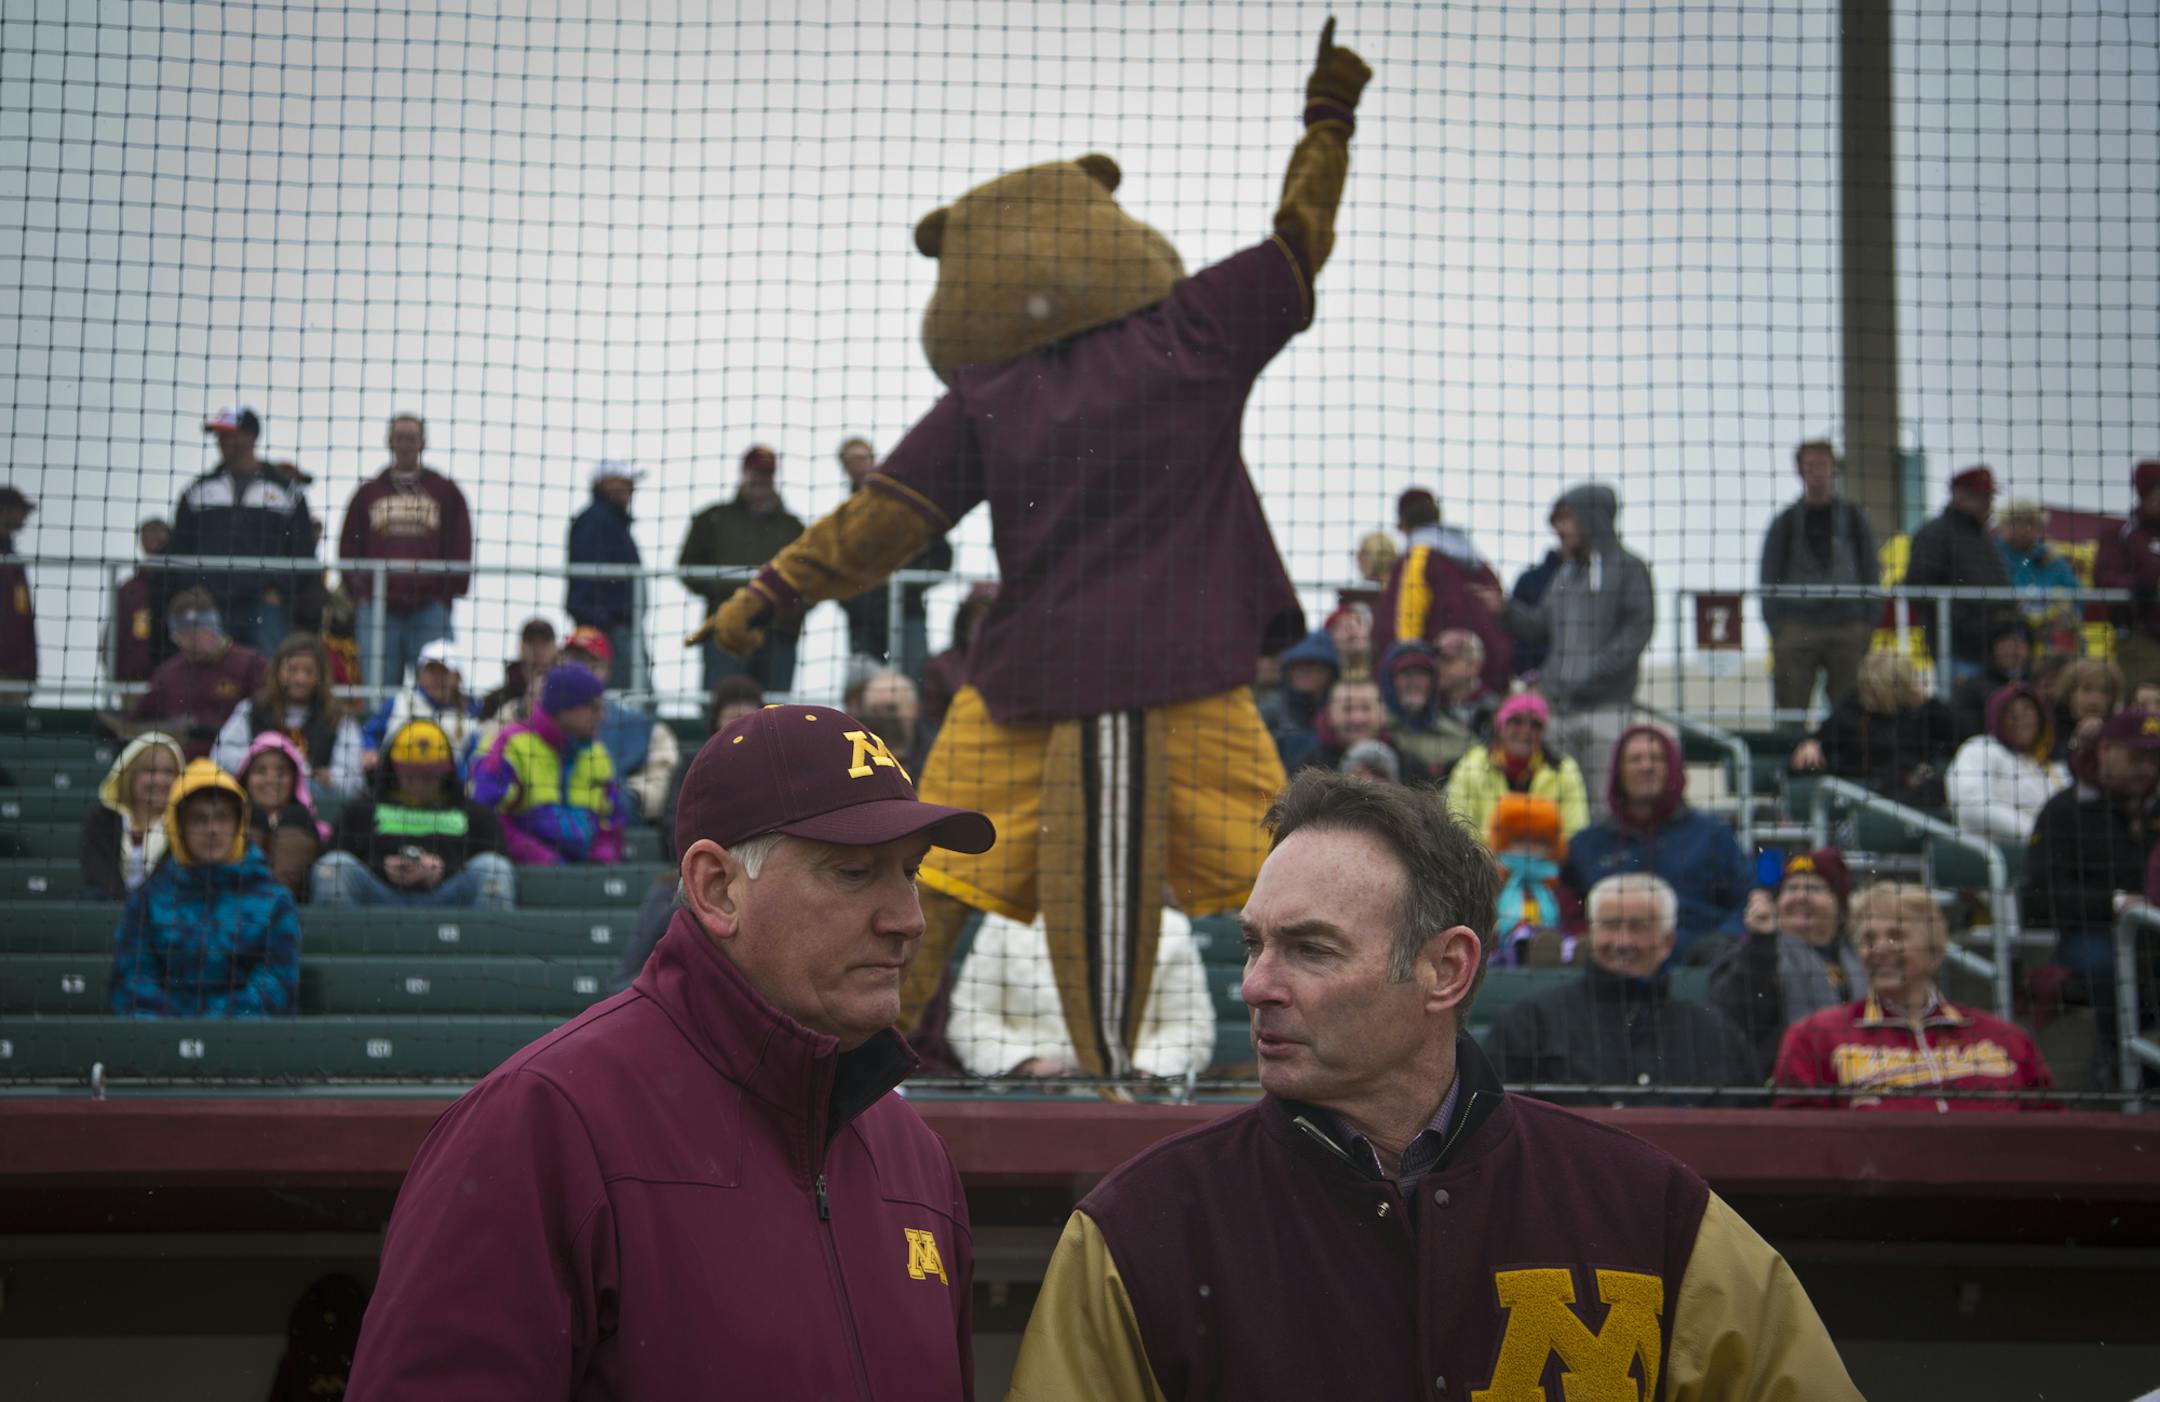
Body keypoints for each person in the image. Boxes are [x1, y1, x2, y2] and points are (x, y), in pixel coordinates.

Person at [1006, 769, 1857, 1400]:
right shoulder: (1137, 1234)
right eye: (1254, 943)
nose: (1255, 984)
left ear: (1446, 969)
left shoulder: (1652, 1214)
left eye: (1309, 948)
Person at [346, 703, 994, 1400]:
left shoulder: (918, 1160)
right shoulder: (538, 1125)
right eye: (854, 872)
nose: (910, 920)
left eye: (912, 872)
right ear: (717, 888)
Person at [1773, 880, 2055, 1111]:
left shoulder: (2006, 1039)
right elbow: (1798, 1141)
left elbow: (2050, 1129)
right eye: (1868, 940)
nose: (1880, 948)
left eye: (1896, 936)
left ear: (1935, 952)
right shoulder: (1816, 1036)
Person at [1485, 873, 1760, 1105]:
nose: (1623, 941)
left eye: (1639, 927)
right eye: (1610, 925)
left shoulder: (1715, 1033)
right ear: (1590, 933)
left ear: (1667, 942)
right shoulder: (1529, 1023)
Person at [1480, 484, 1654, 815]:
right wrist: (1505, 610)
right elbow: (1538, 626)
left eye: (1567, 519)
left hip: (1606, 712)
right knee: (1557, 809)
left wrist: (1592, 675)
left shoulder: (1629, 569)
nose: (1560, 529)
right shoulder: (1566, 573)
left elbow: (1637, 632)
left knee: (1603, 809)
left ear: (1592, 518)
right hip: (1558, 713)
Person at [107, 758, 301, 1018]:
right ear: (180, 827)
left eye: (222, 817)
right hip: (162, 1045)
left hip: (247, 1044)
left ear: (238, 825)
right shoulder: (148, 900)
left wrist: (213, 1027)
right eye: (199, 819)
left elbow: (277, 984)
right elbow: (132, 980)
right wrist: (181, 1031)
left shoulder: (273, 900)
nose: (212, 829)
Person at [2026, 708, 2160, 1082]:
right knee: (2110, 966)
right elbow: (2041, 896)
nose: (2148, 768)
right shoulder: (2064, 811)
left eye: (2155, 758)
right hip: (2089, 931)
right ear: (2105, 751)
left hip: (2154, 933)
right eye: (2137, 757)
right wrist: (2115, 903)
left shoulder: (2155, 807)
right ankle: (2116, 1063)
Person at [1560, 723, 1753, 963]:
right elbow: (1569, 907)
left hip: (1698, 966)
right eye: (1635, 759)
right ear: (1618, 772)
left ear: (1673, 769)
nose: (1647, 766)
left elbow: (1747, 900)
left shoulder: (1714, 836)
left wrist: (1724, 939)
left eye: (1657, 759)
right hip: (1613, 965)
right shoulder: (1587, 844)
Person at [948, 906, 1215, 1080]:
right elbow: (970, 1018)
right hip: (1028, 1098)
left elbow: (1191, 1028)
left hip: (1136, 1103)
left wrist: (1145, 1072)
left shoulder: (1169, 928)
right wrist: (1027, 1065)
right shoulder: (1006, 921)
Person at [160, 407, 317, 654]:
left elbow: (303, 550)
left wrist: (278, 590)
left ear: (251, 437)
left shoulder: (285, 492)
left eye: (230, 434)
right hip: (211, 605)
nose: (222, 442)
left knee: (269, 678)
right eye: (219, 436)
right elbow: (180, 547)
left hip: (264, 606)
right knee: (213, 680)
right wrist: (193, 586)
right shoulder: (198, 491)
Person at [314, 719, 515, 909]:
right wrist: (381, 867)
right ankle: (345, 944)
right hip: (379, 898)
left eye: (430, 774)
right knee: (334, 866)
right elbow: (331, 854)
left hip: (450, 900)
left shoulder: (477, 815)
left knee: (494, 867)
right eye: (411, 773)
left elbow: (503, 867)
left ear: (447, 770)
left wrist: (445, 869)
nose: (420, 781)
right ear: (393, 767)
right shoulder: (360, 810)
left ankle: (487, 946)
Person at [337, 413, 473, 688]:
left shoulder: (445, 491)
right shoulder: (368, 493)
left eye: (411, 438)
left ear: (423, 443)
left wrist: (445, 592)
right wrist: (360, 593)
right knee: (377, 690)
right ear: (389, 442)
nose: (405, 444)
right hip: (378, 607)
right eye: (400, 438)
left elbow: (461, 544)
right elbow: (348, 547)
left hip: (430, 607)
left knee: (439, 689)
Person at [1708, 849, 1867, 1076]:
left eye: (1814, 888)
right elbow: (1734, 1018)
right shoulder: (1752, 951)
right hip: (1781, 1083)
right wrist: (1760, 946)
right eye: (1791, 888)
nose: (1800, 896)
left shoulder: (1862, 957)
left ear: (1840, 906)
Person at [1758, 438, 1881, 712]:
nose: (1816, 472)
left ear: (1834, 468)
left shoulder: (1854, 518)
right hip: (1797, 623)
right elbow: (1768, 577)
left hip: (1848, 624)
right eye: (1810, 466)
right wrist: (1778, 627)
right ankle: (1791, 751)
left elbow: (1871, 571)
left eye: (1822, 465)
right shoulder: (1785, 522)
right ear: (1800, 471)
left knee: (1850, 706)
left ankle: (1844, 753)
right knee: (1790, 704)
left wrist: (1867, 622)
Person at [468, 663, 629, 866]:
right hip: (525, 872)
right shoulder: (509, 745)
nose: (602, 716)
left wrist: (601, 860)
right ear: (565, 708)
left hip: (584, 874)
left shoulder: (597, 754)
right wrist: (541, 858)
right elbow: (486, 819)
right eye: (593, 707)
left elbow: (611, 824)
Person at [679, 445, 807, 692]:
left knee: (775, 709)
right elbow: (688, 567)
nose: (760, 480)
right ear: (743, 473)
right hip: (726, 628)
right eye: (755, 473)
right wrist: (730, 595)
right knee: (723, 700)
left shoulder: (793, 528)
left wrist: (788, 606)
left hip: (778, 631)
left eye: (766, 474)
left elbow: (811, 577)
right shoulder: (712, 519)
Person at [1373, 487, 1513, 695]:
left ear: (1403, 522)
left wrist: (1407, 667)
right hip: (1488, 676)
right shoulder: (1477, 561)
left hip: (1438, 683)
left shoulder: (1418, 556)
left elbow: (1407, 623)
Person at [835, 437, 953, 681]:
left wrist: (902, 587)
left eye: (862, 458)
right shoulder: (841, 521)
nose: (859, 465)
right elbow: (832, 569)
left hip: (908, 614)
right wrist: (860, 600)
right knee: (865, 691)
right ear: (844, 467)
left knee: (914, 685)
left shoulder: (905, 504)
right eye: (851, 460)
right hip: (864, 623)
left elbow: (941, 556)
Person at [1788, 650, 1955, 808]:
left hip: (1908, 797)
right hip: (1857, 792)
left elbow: (1961, 736)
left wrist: (1930, 702)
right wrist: (1811, 744)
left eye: (1877, 689)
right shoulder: (1853, 708)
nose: (1870, 694)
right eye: (1867, 687)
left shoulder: (1924, 711)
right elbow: (1821, 738)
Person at [211, 631, 365, 796]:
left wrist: (330, 778)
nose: (300, 679)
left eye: (308, 671)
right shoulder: (252, 709)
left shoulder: (338, 717)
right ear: (278, 671)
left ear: (321, 675)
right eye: (292, 670)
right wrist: (262, 765)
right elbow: (219, 755)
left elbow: (354, 781)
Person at [1902, 465, 2013, 681]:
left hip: (1993, 650)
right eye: (1981, 496)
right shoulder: (1934, 534)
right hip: (1957, 650)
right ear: (1959, 496)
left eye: (1989, 496)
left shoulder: (1984, 537)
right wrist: (1967, 622)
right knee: (1962, 711)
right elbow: (1918, 589)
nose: (1988, 503)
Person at [130, 588, 269, 759]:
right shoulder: (167, 674)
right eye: (181, 635)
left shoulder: (251, 663)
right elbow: (141, 722)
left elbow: (266, 715)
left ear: (214, 627)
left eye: (196, 633)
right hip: (180, 767)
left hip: (236, 764)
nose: (189, 642)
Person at [561, 626, 680, 823]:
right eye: (573, 662)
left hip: (614, 832)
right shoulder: (537, 716)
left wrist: (629, 798)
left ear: (606, 670)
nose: (580, 670)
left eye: (590, 663)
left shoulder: (641, 726)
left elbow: (661, 777)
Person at [1443, 689, 1590, 841]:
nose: (1526, 730)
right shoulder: (1471, 764)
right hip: (1482, 862)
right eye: (1516, 721)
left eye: (1536, 724)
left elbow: (1575, 833)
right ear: (1500, 724)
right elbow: (1458, 829)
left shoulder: (1564, 769)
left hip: (1546, 863)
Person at [1945, 682, 2068, 845]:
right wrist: (2036, 835)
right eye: (2010, 711)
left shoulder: (2052, 765)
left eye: (2027, 709)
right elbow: (1970, 808)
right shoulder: (1980, 748)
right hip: (1992, 858)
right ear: (1996, 716)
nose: (2020, 718)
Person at [565, 459, 645, 691]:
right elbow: (588, 583)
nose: (630, 488)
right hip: (608, 630)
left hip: (615, 627)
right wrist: (603, 621)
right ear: (605, 483)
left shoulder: (607, 521)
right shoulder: (596, 521)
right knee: (624, 696)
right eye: (623, 481)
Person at [79, 731, 184, 901]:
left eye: (169, 772)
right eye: (150, 770)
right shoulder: (103, 819)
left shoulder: (185, 825)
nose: (160, 780)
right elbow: (98, 870)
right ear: (130, 775)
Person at [359, 638, 480, 776]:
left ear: (457, 677)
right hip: (394, 784)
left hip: (445, 791)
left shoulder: (469, 718)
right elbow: (368, 732)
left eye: (444, 672)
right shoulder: (399, 702)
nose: (437, 678)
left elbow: (470, 765)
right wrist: (369, 749)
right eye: (431, 671)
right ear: (420, 674)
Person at [1379, 638, 1488, 783]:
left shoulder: (1460, 737)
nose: (1414, 682)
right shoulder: (1375, 730)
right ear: (1390, 680)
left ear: (1434, 681)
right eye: (1406, 673)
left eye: (1422, 673)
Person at [1484, 792, 1575, 966]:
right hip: (1500, 954)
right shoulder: (1493, 884)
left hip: (1550, 949)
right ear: (1504, 841)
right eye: (1519, 840)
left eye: (1539, 841)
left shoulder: (1556, 886)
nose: (1529, 848)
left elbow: (1570, 919)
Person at [2095, 458, 2160, 693]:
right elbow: (2104, 579)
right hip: (2140, 637)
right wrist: (2140, 587)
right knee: (2142, 714)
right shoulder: (2120, 536)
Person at [236, 731, 328, 898]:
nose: (271, 779)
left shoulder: (303, 820)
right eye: (260, 771)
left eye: (281, 773)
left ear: (294, 779)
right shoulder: (231, 821)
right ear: (246, 778)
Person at [1994, 499, 2083, 655]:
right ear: (2002, 526)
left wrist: (2063, 618)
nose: (2022, 528)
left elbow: (2076, 595)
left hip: (2054, 642)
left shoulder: (2053, 559)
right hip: (2008, 641)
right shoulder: (1992, 556)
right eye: (2015, 522)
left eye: (2029, 522)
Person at [1260, 627, 1340, 771]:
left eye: (1314, 665)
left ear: (1330, 671)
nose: (1305, 671)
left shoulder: (1342, 711)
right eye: (1297, 665)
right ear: (1287, 670)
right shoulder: (1269, 713)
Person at [1948, 614, 2033, 743]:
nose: (2011, 650)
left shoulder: (2039, 684)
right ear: (1993, 648)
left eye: (2017, 642)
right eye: (2004, 643)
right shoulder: (1972, 688)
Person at [110, 517, 171, 684]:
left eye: (160, 536)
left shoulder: (179, 585)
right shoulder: (130, 589)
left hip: (172, 676)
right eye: (149, 535)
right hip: (134, 676)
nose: (155, 541)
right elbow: (115, 632)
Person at [1301, 674, 1399, 774]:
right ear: (1330, 713)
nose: (1357, 719)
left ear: (1383, 713)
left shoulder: (1406, 766)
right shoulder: (1309, 769)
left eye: (1366, 708)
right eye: (1347, 708)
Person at [479, 616, 558, 719]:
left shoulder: (566, 695)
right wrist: (520, 710)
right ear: (520, 646)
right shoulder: (496, 700)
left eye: (544, 642)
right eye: (531, 642)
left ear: (555, 648)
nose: (538, 648)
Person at [2051, 655, 2123, 760]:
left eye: (2104, 691)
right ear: (2070, 693)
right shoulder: (2051, 725)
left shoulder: (2119, 730)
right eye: (2087, 689)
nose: (2095, 700)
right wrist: (2077, 743)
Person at [0, 484, 36, 686]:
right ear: (4, 510)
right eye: (20, 510)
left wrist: (29, 668)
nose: (24, 516)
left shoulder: (13, 562)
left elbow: (22, 619)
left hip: (15, 673)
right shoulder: (11, 563)